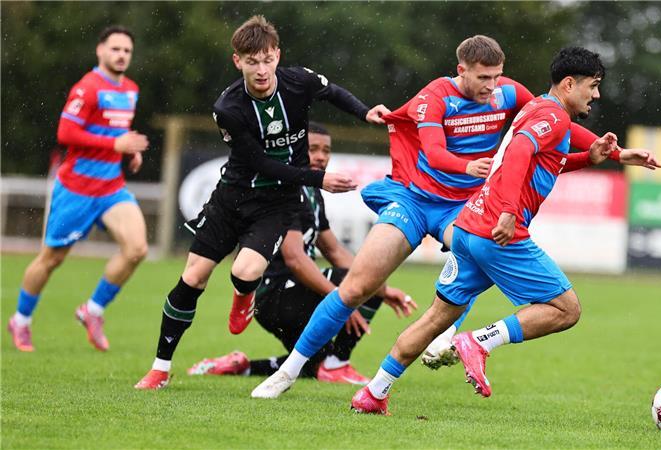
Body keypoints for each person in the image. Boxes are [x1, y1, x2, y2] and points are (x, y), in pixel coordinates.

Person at [251, 35, 657, 399]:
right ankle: (288, 372)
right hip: (418, 199)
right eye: (483, 78)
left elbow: (552, 123)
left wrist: (614, 154)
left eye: (498, 77)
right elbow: (434, 153)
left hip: (464, 209)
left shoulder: (509, 94)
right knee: (357, 286)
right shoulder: (435, 97)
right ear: (461, 70)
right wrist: (474, 172)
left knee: (454, 285)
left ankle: (420, 355)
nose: (492, 86)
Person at [134, 16, 391, 390]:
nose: (261, 69)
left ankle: (243, 297)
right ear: (237, 61)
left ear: (277, 56)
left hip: (276, 203)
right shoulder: (228, 107)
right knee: (192, 278)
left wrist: (364, 111)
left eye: (267, 59)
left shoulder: (298, 81)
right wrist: (319, 179)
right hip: (231, 198)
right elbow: (259, 163)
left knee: (246, 271)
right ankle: (159, 368)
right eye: (252, 61)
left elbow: (332, 91)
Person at [186, 122, 415, 384]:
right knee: (359, 282)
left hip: (290, 296)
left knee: (311, 361)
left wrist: (383, 289)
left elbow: (334, 250)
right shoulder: (285, 189)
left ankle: (242, 366)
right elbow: (294, 258)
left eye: (326, 150)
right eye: (313, 149)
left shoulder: (313, 191)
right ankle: (337, 365)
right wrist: (343, 300)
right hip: (275, 294)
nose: (321, 156)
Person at [7, 25, 150, 352]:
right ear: (100, 51)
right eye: (115, 49)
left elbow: (116, 130)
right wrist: (116, 143)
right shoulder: (87, 88)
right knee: (51, 259)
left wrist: (130, 148)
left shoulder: (130, 89)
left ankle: (93, 310)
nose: (121, 55)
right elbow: (66, 133)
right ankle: (21, 320)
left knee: (137, 248)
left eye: (127, 50)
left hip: (111, 189)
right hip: (77, 189)